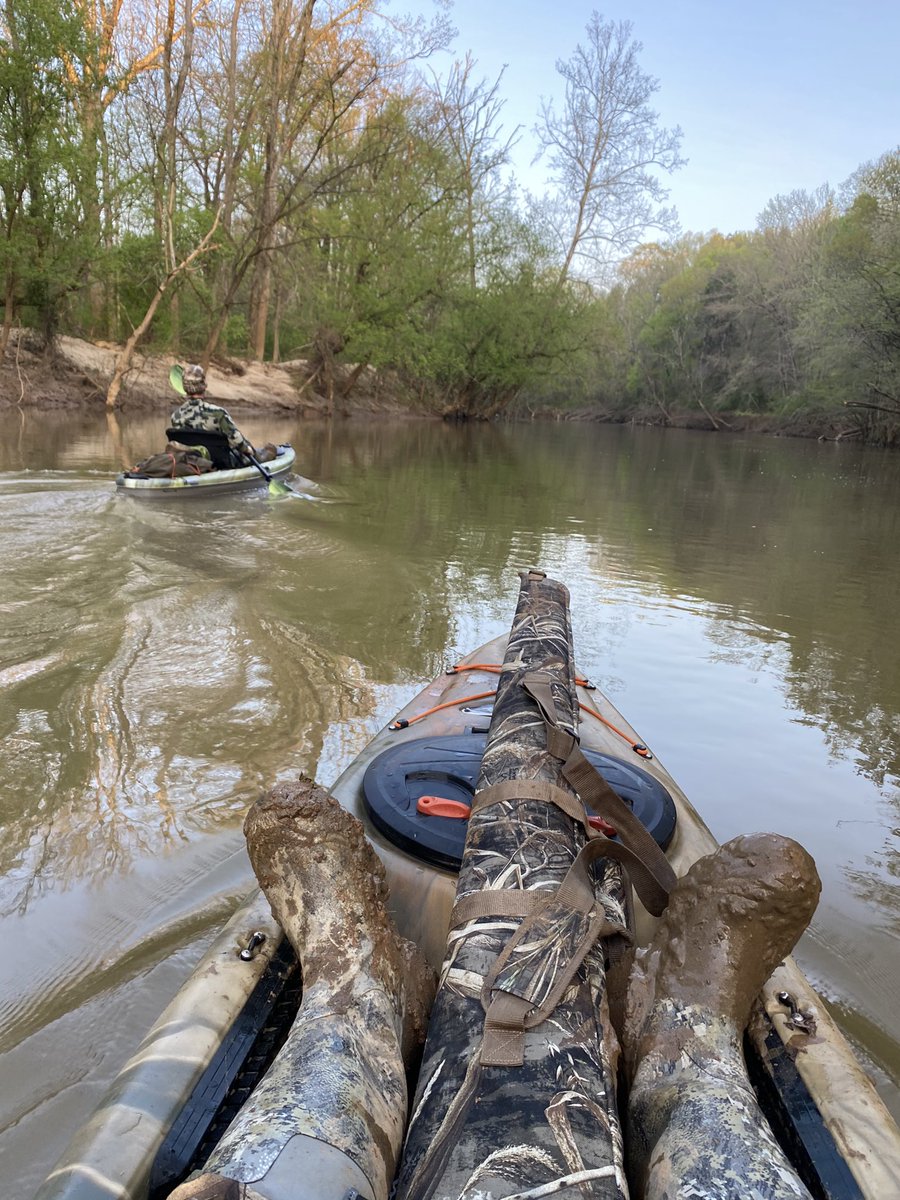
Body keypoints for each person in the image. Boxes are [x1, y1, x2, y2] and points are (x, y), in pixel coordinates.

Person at [169, 364, 277, 467]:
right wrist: (249, 450)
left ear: (184, 388)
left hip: (191, 461)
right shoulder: (218, 413)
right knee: (247, 450)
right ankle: (263, 457)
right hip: (220, 462)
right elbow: (237, 441)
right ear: (204, 386)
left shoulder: (175, 416)